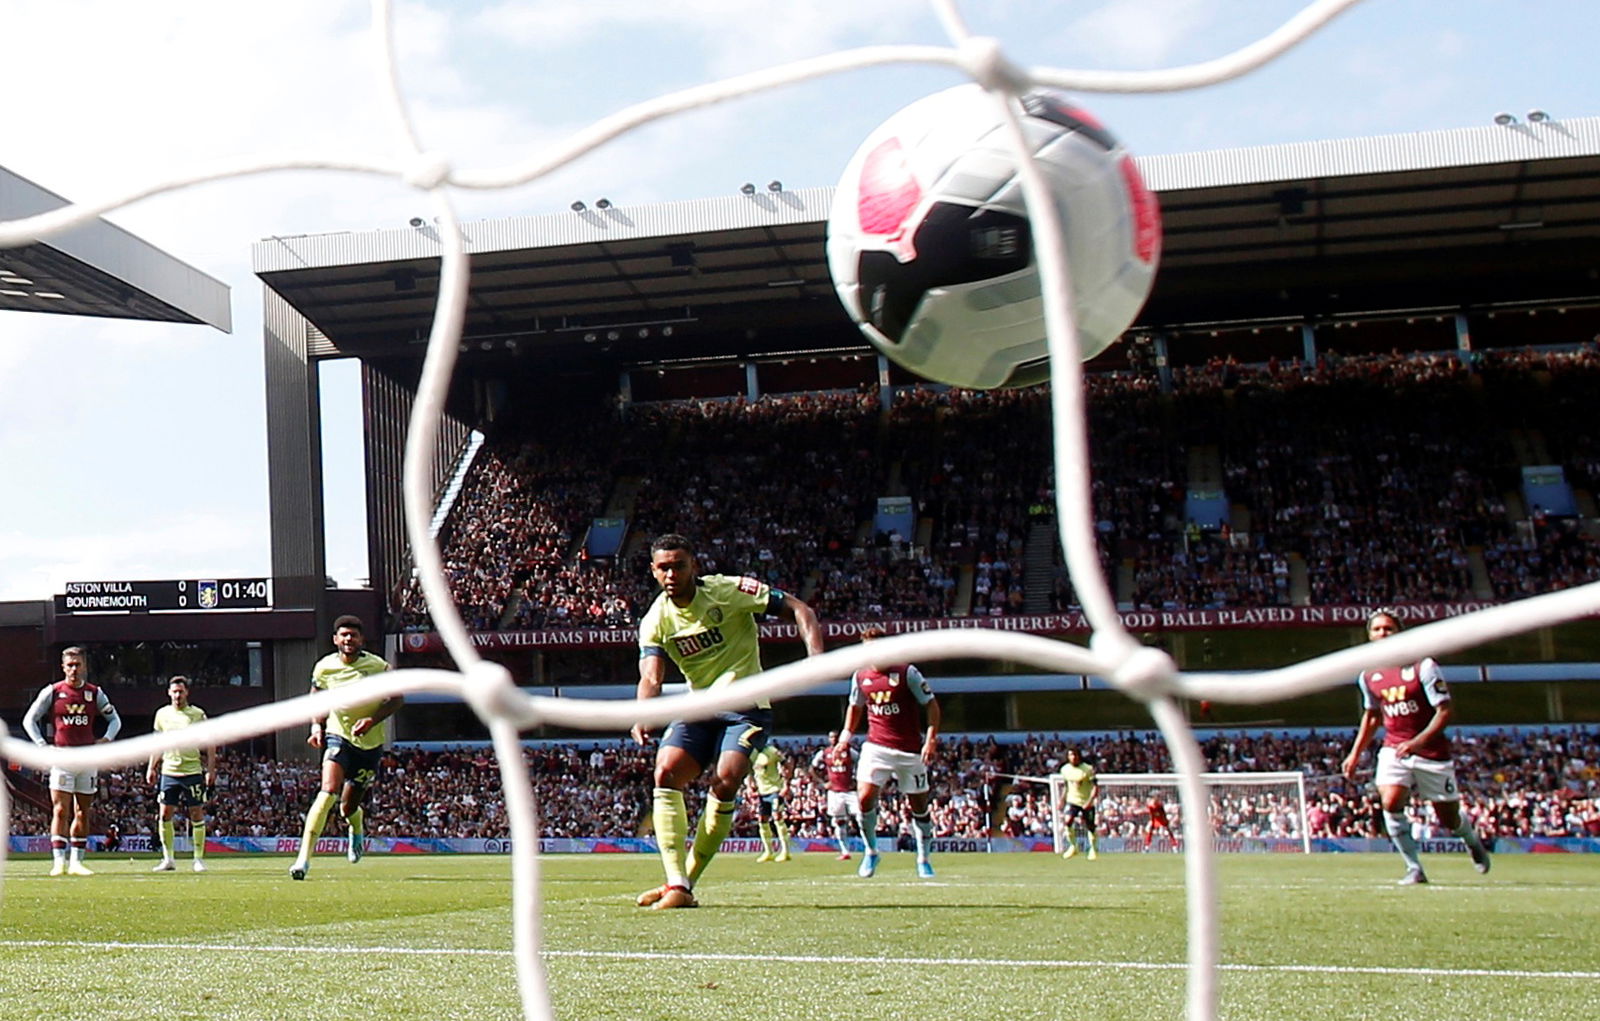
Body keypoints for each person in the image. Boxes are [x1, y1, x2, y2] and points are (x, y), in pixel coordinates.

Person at [631, 533, 824, 910]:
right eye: (664, 567)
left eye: (679, 565)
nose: (672, 573)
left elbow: (801, 610)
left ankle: (683, 886)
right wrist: (642, 714)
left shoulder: (729, 590)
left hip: (746, 706)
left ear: (694, 566)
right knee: (665, 772)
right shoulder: (655, 620)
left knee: (726, 778)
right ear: (653, 572)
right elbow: (651, 677)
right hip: (700, 707)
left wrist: (816, 659)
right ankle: (677, 882)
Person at [1341, 608, 1492, 885]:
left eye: (1388, 628)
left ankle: (1472, 841)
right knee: (1390, 800)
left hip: (1430, 751)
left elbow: (1444, 711)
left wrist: (1417, 742)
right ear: (1370, 635)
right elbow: (1373, 715)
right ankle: (1414, 868)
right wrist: (1355, 753)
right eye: (1377, 629)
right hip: (1393, 748)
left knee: (1447, 818)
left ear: (1399, 632)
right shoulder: (1368, 675)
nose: (1382, 634)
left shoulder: (1423, 666)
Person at [289, 615, 403, 880]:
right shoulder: (324, 668)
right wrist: (316, 726)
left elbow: (397, 699)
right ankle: (302, 861)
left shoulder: (378, 667)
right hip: (338, 736)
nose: (348, 639)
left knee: (347, 808)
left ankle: (356, 827)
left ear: (361, 639)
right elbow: (316, 698)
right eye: (344, 635)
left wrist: (372, 720)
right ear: (335, 639)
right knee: (328, 791)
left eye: (353, 635)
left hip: (370, 743)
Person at [835, 626, 941, 880]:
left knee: (919, 806)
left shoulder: (907, 673)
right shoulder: (860, 676)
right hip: (876, 747)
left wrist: (931, 740)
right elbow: (855, 707)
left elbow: (932, 705)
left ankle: (923, 859)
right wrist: (844, 738)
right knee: (864, 799)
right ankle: (872, 852)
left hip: (909, 750)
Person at [23, 646, 122, 876]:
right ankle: (58, 862)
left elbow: (114, 720)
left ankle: (77, 861)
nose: (74, 669)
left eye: (78, 664)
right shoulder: (53, 691)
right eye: (70, 665)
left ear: (84, 666)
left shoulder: (94, 693)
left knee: (83, 811)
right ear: (63, 667)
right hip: (62, 757)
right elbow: (30, 720)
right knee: (60, 810)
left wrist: (107, 739)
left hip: (87, 758)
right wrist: (41, 746)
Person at [146, 676, 219, 873]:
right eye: (174, 691)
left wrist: (211, 770)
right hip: (169, 771)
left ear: (187, 693)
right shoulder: (162, 714)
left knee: (196, 813)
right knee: (164, 813)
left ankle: (198, 859)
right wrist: (151, 767)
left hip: (192, 771)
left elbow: (211, 743)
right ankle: (168, 858)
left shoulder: (197, 714)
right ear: (169, 693)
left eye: (181, 691)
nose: (177, 695)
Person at [812, 730, 868, 861]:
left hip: (850, 791)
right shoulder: (824, 753)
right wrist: (823, 783)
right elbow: (812, 768)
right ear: (828, 739)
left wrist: (857, 779)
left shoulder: (849, 751)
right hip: (834, 792)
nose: (833, 739)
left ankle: (869, 847)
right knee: (839, 822)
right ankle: (845, 851)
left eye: (836, 737)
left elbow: (862, 762)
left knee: (861, 818)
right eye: (831, 737)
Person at [747, 744, 791, 863]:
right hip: (762, 792)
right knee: (762, 820)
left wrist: (786, 784)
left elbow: (787, 765)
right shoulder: (751, 753)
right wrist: (749, 786)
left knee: (778, 818)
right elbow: (749, 770)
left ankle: (785, 851)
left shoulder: (772, 751)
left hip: (775, 789)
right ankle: (768, 851)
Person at [1057, 747, 1098, 860]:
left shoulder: (1087, 769)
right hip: (1072, 800)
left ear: (1079, 756)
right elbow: (1066, 786)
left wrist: (1090, 801)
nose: (1073, 757)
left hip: (1086, 801)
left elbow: (1095, 787)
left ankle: (1093, 849)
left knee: (1090, 826)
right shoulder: (1065, 769)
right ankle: (1072, 846)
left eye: (1075, 755)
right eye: (1071, 755)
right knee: (1067, 821)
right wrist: (1062, 799)